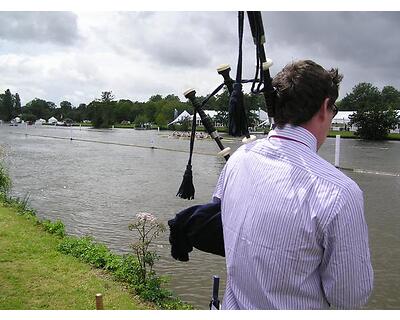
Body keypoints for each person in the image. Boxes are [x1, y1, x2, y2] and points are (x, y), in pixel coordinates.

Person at [212, 60, 373, 309]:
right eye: (334, 109)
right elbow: (350, 297)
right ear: (324, 107)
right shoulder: (340, 193)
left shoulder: (238, 160)